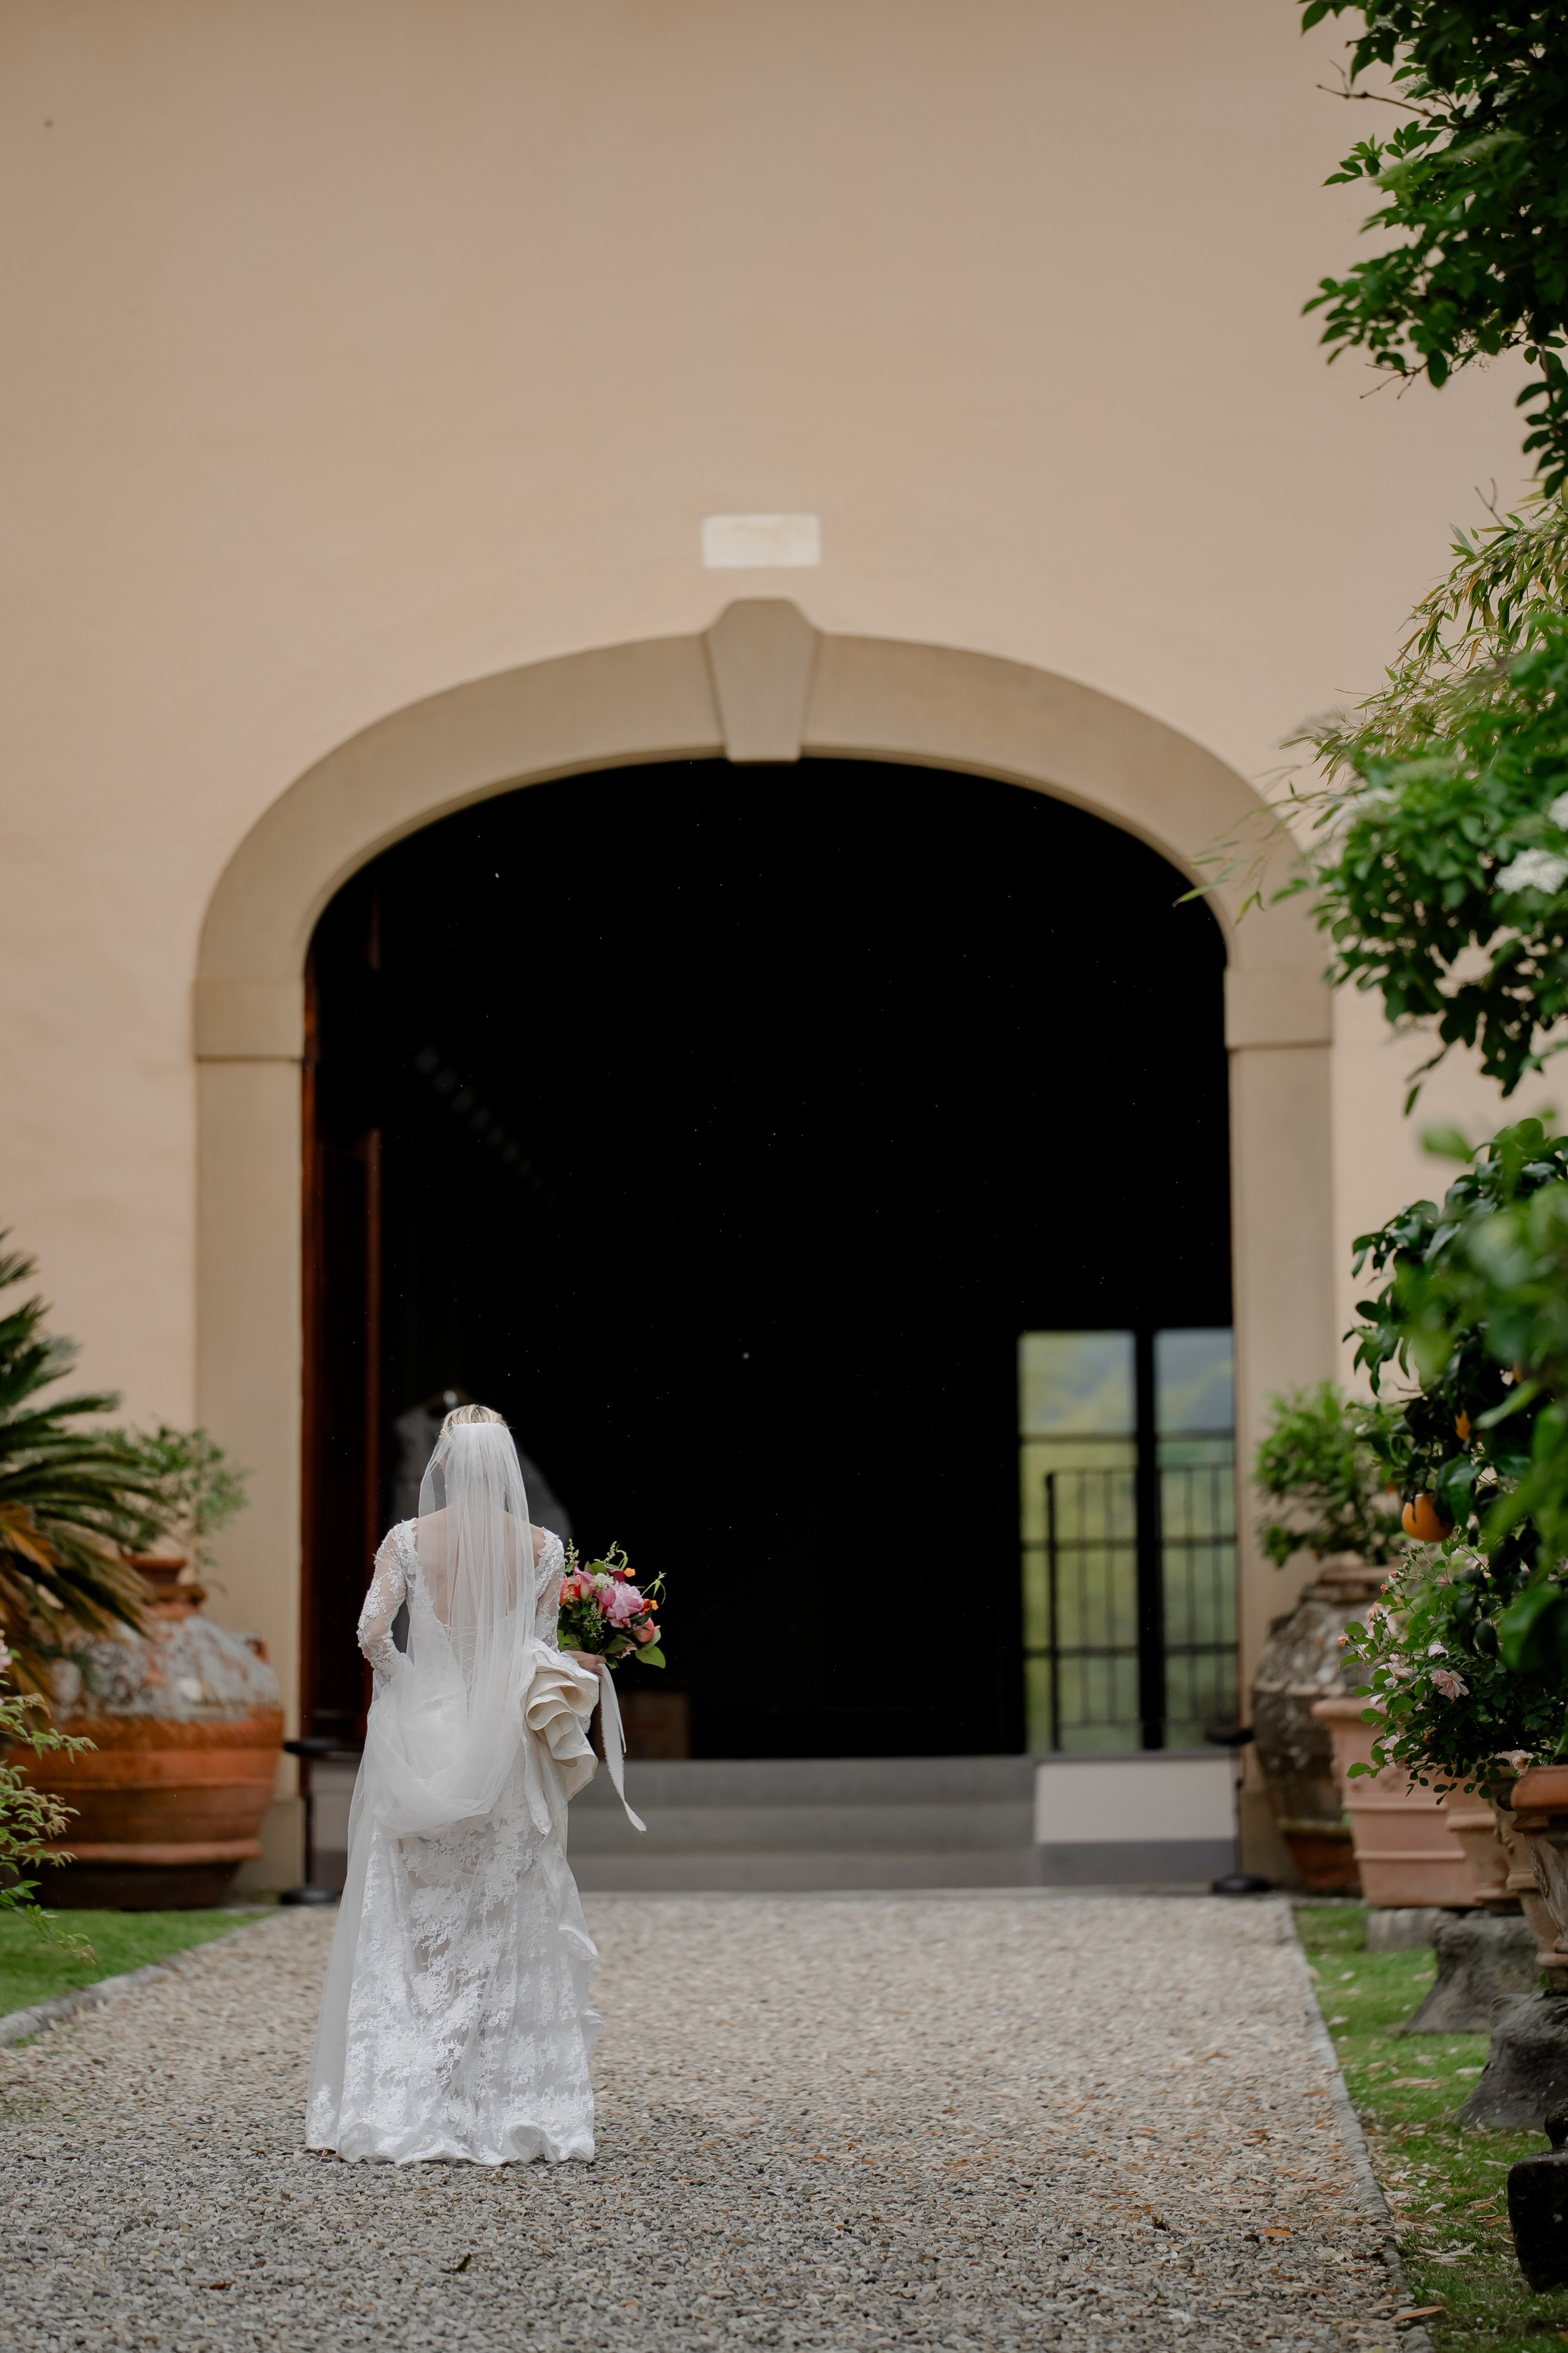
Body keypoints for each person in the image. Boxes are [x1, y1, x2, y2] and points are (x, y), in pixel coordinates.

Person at [305, 1403, 642, 2165]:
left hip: (423, 1731)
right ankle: (507, 2098)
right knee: (503, 1905)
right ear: (506, 1467)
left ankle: (401, 2092)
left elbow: (368, 1635)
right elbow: (540, 1648)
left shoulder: (409, 1540)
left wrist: (414, 1684)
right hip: (503, 1740)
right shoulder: (541, 1547)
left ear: (446, 1464)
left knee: (415, 1907)